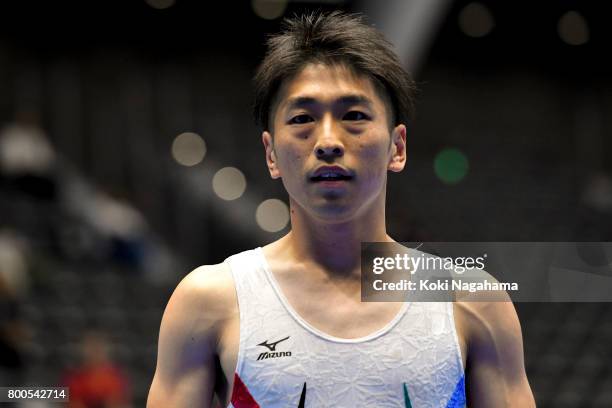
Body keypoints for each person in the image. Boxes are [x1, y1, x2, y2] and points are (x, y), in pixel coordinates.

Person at [147, 11, 535, 407]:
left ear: (397, 147)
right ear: (271, 154)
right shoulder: (209, 301)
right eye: (302, 119)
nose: (328, 141)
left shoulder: (472, 302)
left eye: (354, 116)